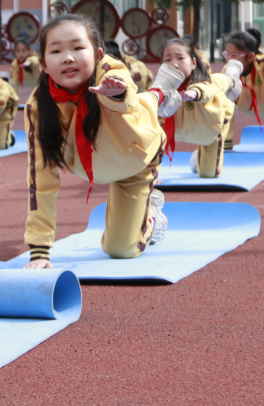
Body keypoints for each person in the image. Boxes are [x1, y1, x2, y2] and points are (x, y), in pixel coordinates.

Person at [22, 14, 176, 268]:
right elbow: (41, 178)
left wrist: (116, 93)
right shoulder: (38, 108)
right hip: (100, 159)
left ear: (97, 55)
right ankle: (158, 94)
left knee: (120, 250)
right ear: (44, 64)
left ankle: (152, 219)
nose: (68, 57)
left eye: (78, 47)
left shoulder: (110, 73)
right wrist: (39, 251)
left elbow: (123, 88)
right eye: (56, 50)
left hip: (134, 158)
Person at [158, 38, 240, 178]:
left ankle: (232, 76)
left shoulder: (203, 84)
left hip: (210, 128)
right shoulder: (160, 88)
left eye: (180, 58)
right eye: (167, 60)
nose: (174, 64)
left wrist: (192, 94)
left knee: (208, 174)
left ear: (193, 63)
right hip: (184, 127)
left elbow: (204, 90)